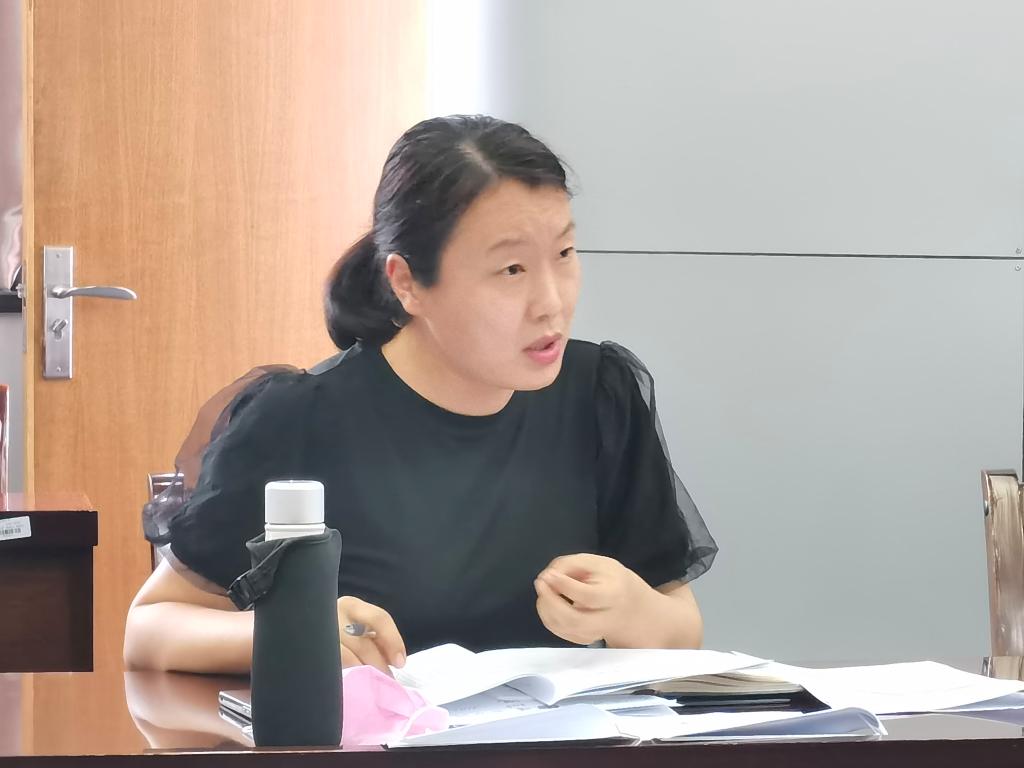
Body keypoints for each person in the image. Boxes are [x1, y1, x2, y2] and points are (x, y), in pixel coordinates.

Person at [124, 115, 717, 674]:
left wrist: (630, 609)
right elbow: (152, 627)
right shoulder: (298, 419)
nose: (552, 303)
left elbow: (679, 626)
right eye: (511, 270)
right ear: (406, 282)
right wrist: (293, 631)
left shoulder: (599, 394)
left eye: (563, 254)